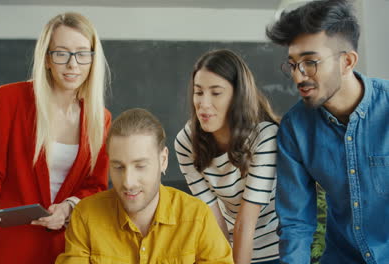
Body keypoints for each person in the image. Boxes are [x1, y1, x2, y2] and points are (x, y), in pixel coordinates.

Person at [0, 12, 111, 263]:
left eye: (82, 53)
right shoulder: (10, 99)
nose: (73, 65)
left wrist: (68, 208)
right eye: (61, 53)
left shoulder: (101, 118)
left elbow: (96, 186)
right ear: (46, 58)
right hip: (8, 245)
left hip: (65, 248)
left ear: (92, 59)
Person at [266, 0, 389, 263]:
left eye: (310, 62)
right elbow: (296, 224)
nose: (299, 76)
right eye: (292, 64)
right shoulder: (295, 128)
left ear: (347, 61)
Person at [56, 108, 233, 264]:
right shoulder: (85, 216)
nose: (128, 182)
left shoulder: (197, 218)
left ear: (163, 161)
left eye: (140, 166)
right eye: (118, 167)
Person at [174, 49, 281, 264]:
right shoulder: (186, 141)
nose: (203, 104)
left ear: (237, 96)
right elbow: (213, 216)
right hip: (228, 244)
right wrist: (222, 259)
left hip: (275, 250)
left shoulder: (265, 136)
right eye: (198, 92)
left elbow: (246, 221)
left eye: (216, 93)